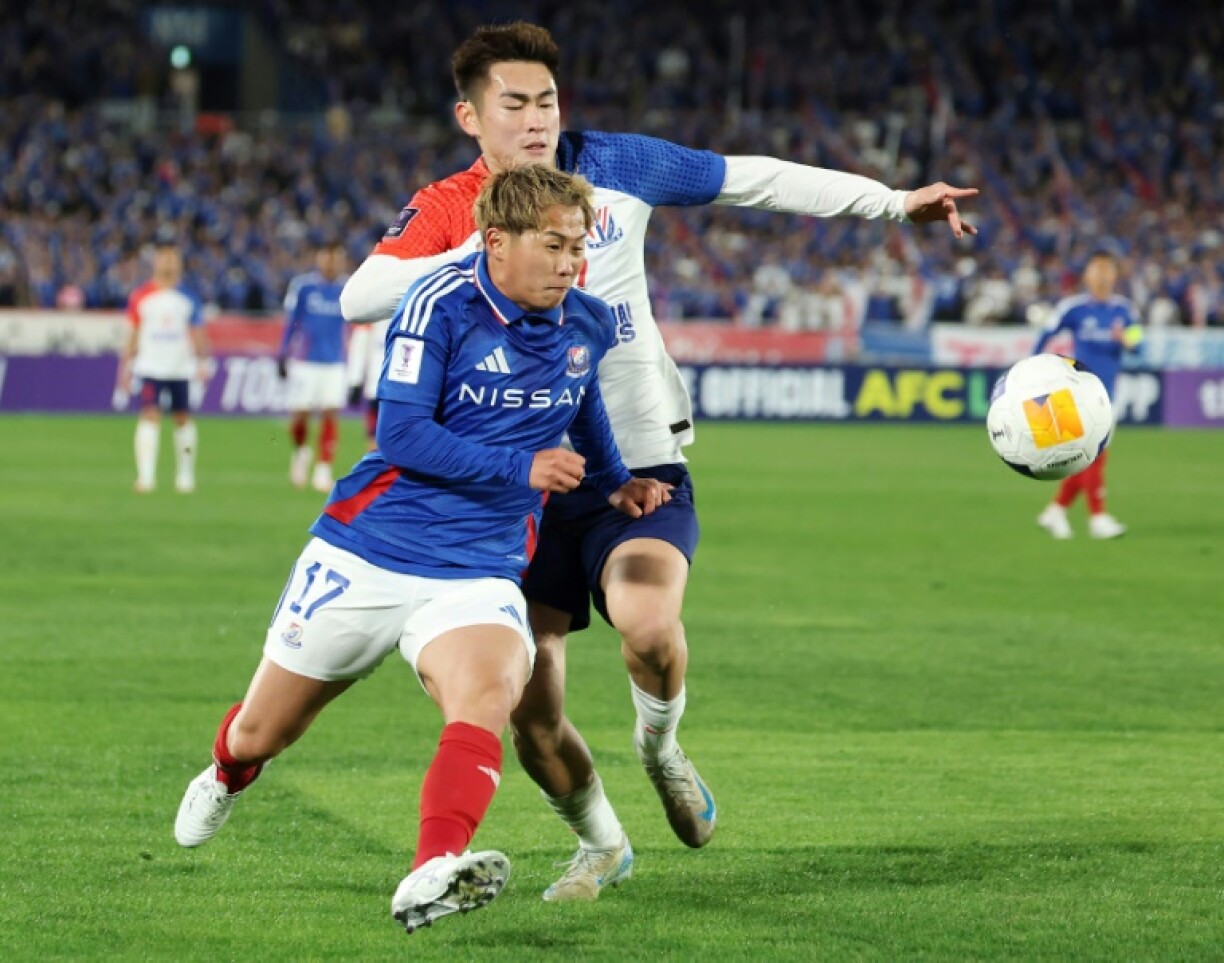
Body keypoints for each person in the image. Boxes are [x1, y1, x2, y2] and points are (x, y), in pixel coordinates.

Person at [340, 21, 978, 902]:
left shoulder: (618, 165)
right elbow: (359, 293)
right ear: (470, 116)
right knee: (532, 710)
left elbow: (750, 176)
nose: (536, 119)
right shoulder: (451, 205)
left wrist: (892, 199)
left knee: (646, 627)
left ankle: (660, 744)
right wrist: (490, 245)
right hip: (511, 492)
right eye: (514, 104)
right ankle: (601, 843)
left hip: (633, 464)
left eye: (547, 100)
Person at [173, 165, 671, 934]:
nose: (572, 262)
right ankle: (227, 772)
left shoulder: (588, 321)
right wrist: (521, 466)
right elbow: (400, 434)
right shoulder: (438, 305)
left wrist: (614, 482)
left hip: (480, 565)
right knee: (262, 731)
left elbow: (582, 404)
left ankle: (432, 867)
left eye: (578, 246)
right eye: (554, 245)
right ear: (496, 242)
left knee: (486, 695)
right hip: (368, 549)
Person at [1034, 251, 1143, 540]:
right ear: (1087, 276)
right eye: (1097, 269)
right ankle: (1098, 518)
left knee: (1086, 456)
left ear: (1115, 276)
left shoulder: (1125, 310)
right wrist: (1034, 368)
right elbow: (1045, 335)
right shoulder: (1074, 308)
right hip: (1077, 391)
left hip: (1107, 396)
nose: (1102, 275)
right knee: (1093, 455)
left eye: (1108, 270)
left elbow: (1139, 346)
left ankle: (1056, 511)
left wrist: (1126, 341)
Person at [115, 239, 210, 494]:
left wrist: (203, 361)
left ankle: (185, 476)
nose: (169, 263)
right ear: (156, 261)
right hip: (150, 367)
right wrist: (125, 367)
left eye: (173, 258)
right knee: (150, 416)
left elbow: (198, 333)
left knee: (182, 419)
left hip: (180, 368)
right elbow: (133, 333)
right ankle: (146, 477)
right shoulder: (141, 296)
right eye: (164, 257)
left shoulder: (188, 297)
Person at [278, 241, 349, 491]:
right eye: (326, 256)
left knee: (331, 413)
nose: (330, 262)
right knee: (299, 416)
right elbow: (291, 322)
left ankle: (323, 469)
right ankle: (300, 452)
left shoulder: (348, 288)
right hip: (305, 361)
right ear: (318, 258)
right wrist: (282, 353)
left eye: (335, 257)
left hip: (335, 362)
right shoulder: (304, 287)